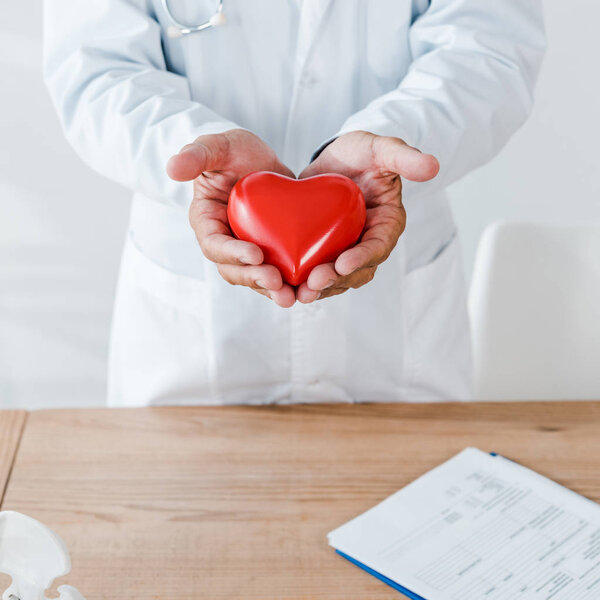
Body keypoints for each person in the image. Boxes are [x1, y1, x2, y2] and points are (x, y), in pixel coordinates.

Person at [43, 1, 545, 406]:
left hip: (391, 319)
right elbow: (94, 66)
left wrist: (398, 138)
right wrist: (197, 148)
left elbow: (488, 49)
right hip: (190, 322)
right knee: (179, 507)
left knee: (410, 503)